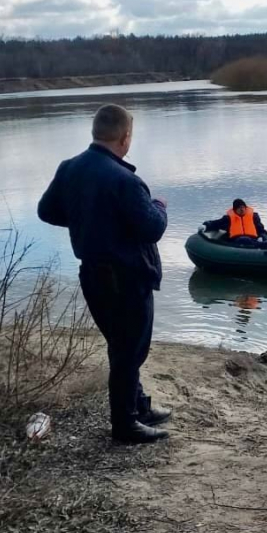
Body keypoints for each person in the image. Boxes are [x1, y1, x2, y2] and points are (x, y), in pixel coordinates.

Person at [37, 104, 172, 445]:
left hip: (93, 278)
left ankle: (137, 406)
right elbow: (152, 228)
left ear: (95, 132)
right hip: (126, 278)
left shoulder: (69, 168)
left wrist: (89, 221)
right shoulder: (125, 180)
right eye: (130, 136)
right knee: (130, 350)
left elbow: (47, 211)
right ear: (125, 138)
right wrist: (159, 206)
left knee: (122, 344)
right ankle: (125, 426)